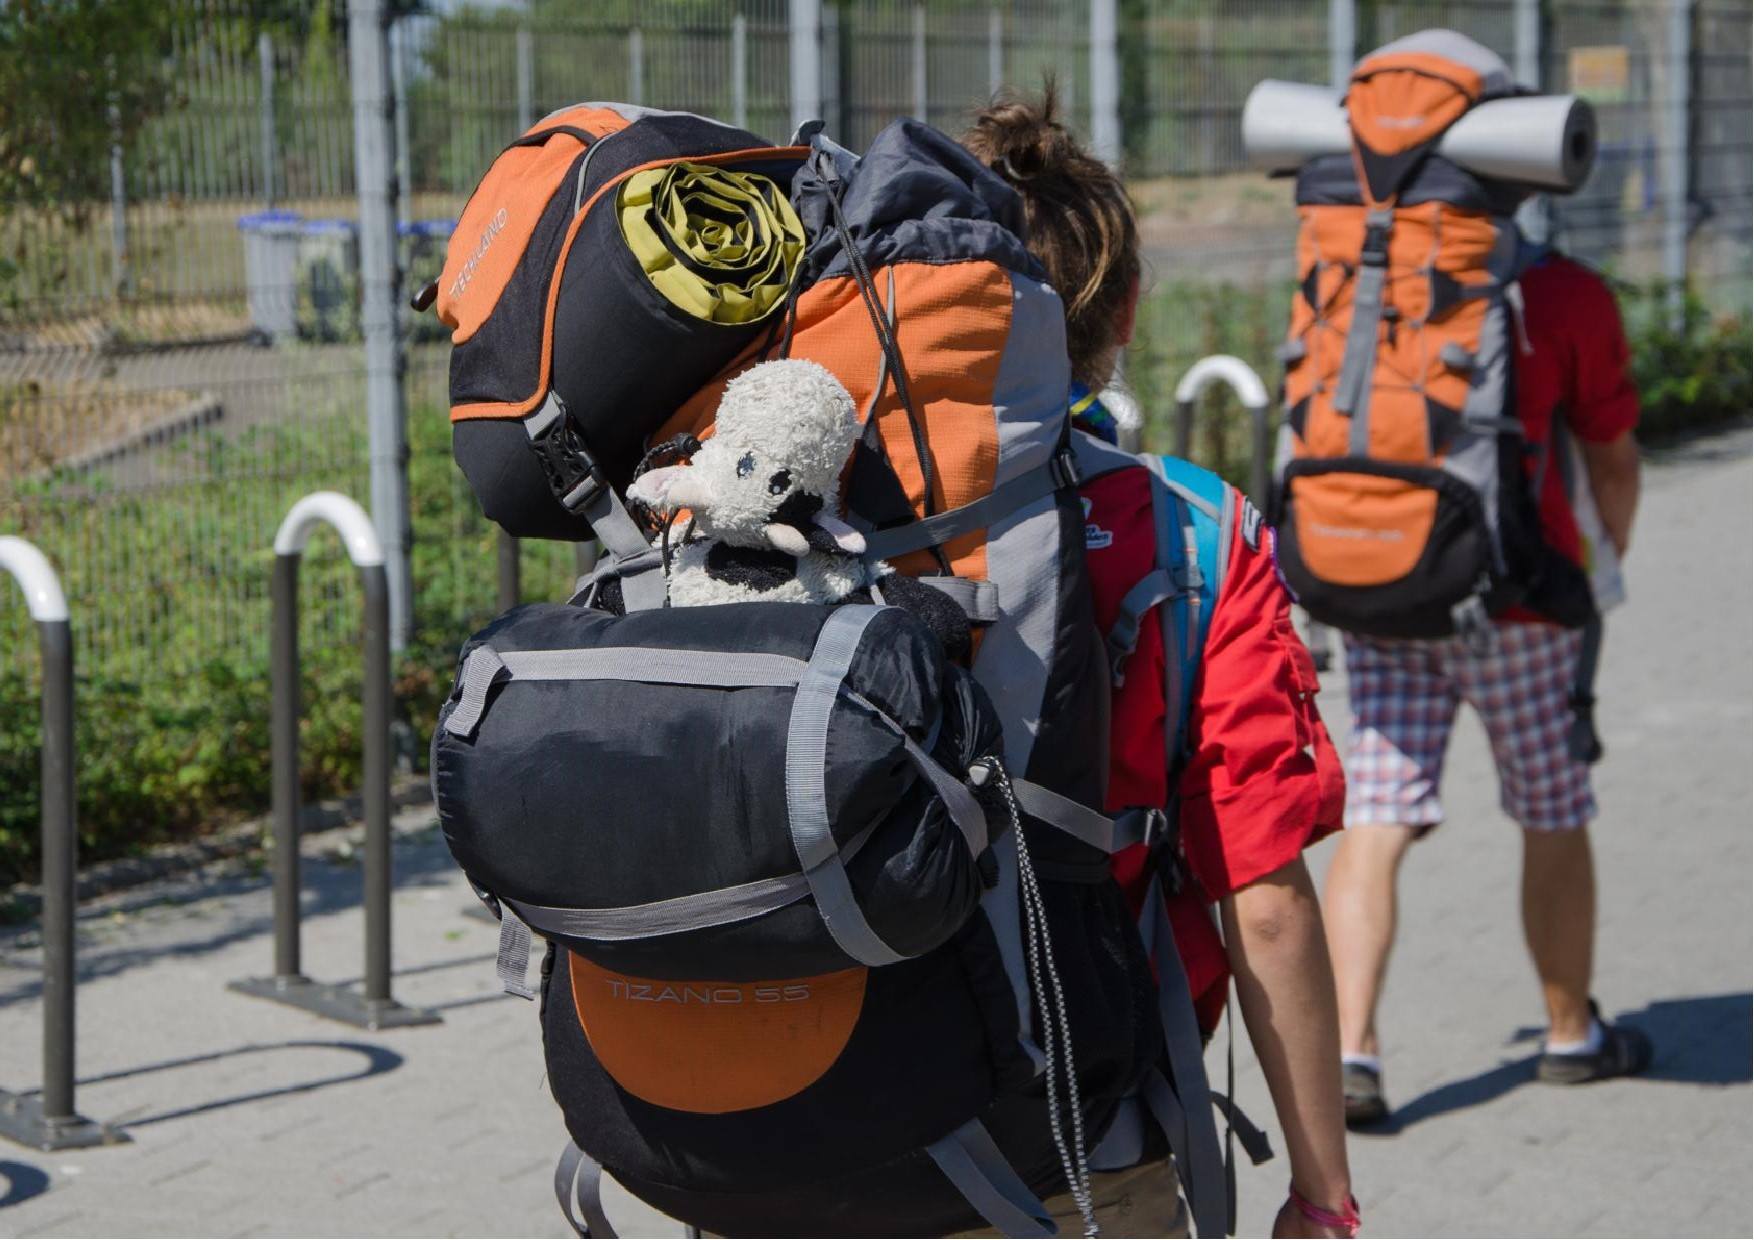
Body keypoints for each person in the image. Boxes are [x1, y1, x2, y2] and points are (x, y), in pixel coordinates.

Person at [962, 91, 1358, 1240]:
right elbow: (1264, 897)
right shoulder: (1190, 533)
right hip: (1079, 1141)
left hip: (800, 1131)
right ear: (1125, 306)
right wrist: (1320, 1191)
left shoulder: (801, 514)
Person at [1321, 225, 1651, 1127]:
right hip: (1523, 600)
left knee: (1379, 812)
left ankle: (1352, 1051)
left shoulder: (1358, 269)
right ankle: (1569, 1034)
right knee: (1551, 807)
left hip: (1384, 586)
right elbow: (1613, 455)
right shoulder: (1563, 292)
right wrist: (1602, 560)